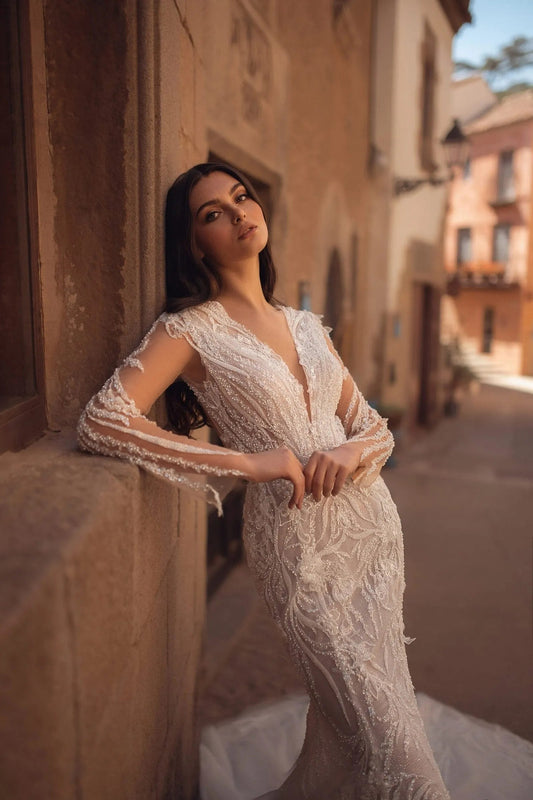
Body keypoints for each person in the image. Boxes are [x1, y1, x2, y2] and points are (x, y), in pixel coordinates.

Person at [77, 162, 451, 799]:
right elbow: (102, 421)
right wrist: (247, 464)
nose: (238, 213)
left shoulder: (307, 326)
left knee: (346, 734)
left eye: (241, 197)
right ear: (196, 243)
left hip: (372, 537)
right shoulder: (188, 330)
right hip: (298, 549)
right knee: (394, 744)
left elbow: (375, 428)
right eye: (212, 213)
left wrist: (355, 448)